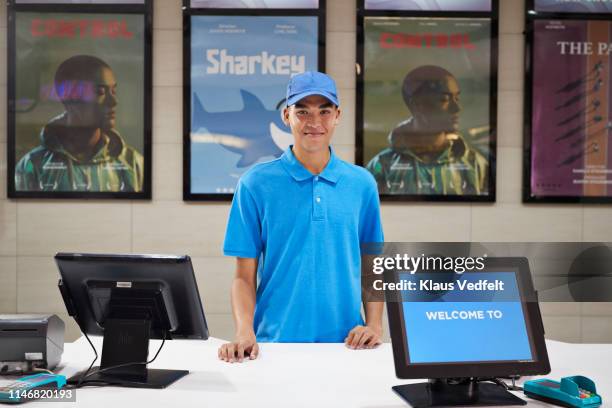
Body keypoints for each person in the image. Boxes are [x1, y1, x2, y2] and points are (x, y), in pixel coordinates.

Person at [219, 71, 384, 363]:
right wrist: (245, 331)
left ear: (337, 116)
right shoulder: (255, 183)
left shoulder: (362, 184)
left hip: (348, 346)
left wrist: (374, 326)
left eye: (324, 111)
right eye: (302, 111)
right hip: (275, 344)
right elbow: (243, 276)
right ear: (286, 115)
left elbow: (373, 265)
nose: (314, 121)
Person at [15, 55, 144, 192]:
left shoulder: (134, 164)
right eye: (100, 92)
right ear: (69, 97)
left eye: (113, 91)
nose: (113, 101)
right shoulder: (32, 165)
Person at [366, 65, 488, 195]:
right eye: (444, 99)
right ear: (417, 104)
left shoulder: (475, 164)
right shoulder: (381, 166)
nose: (457, 108)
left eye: (457, 98)